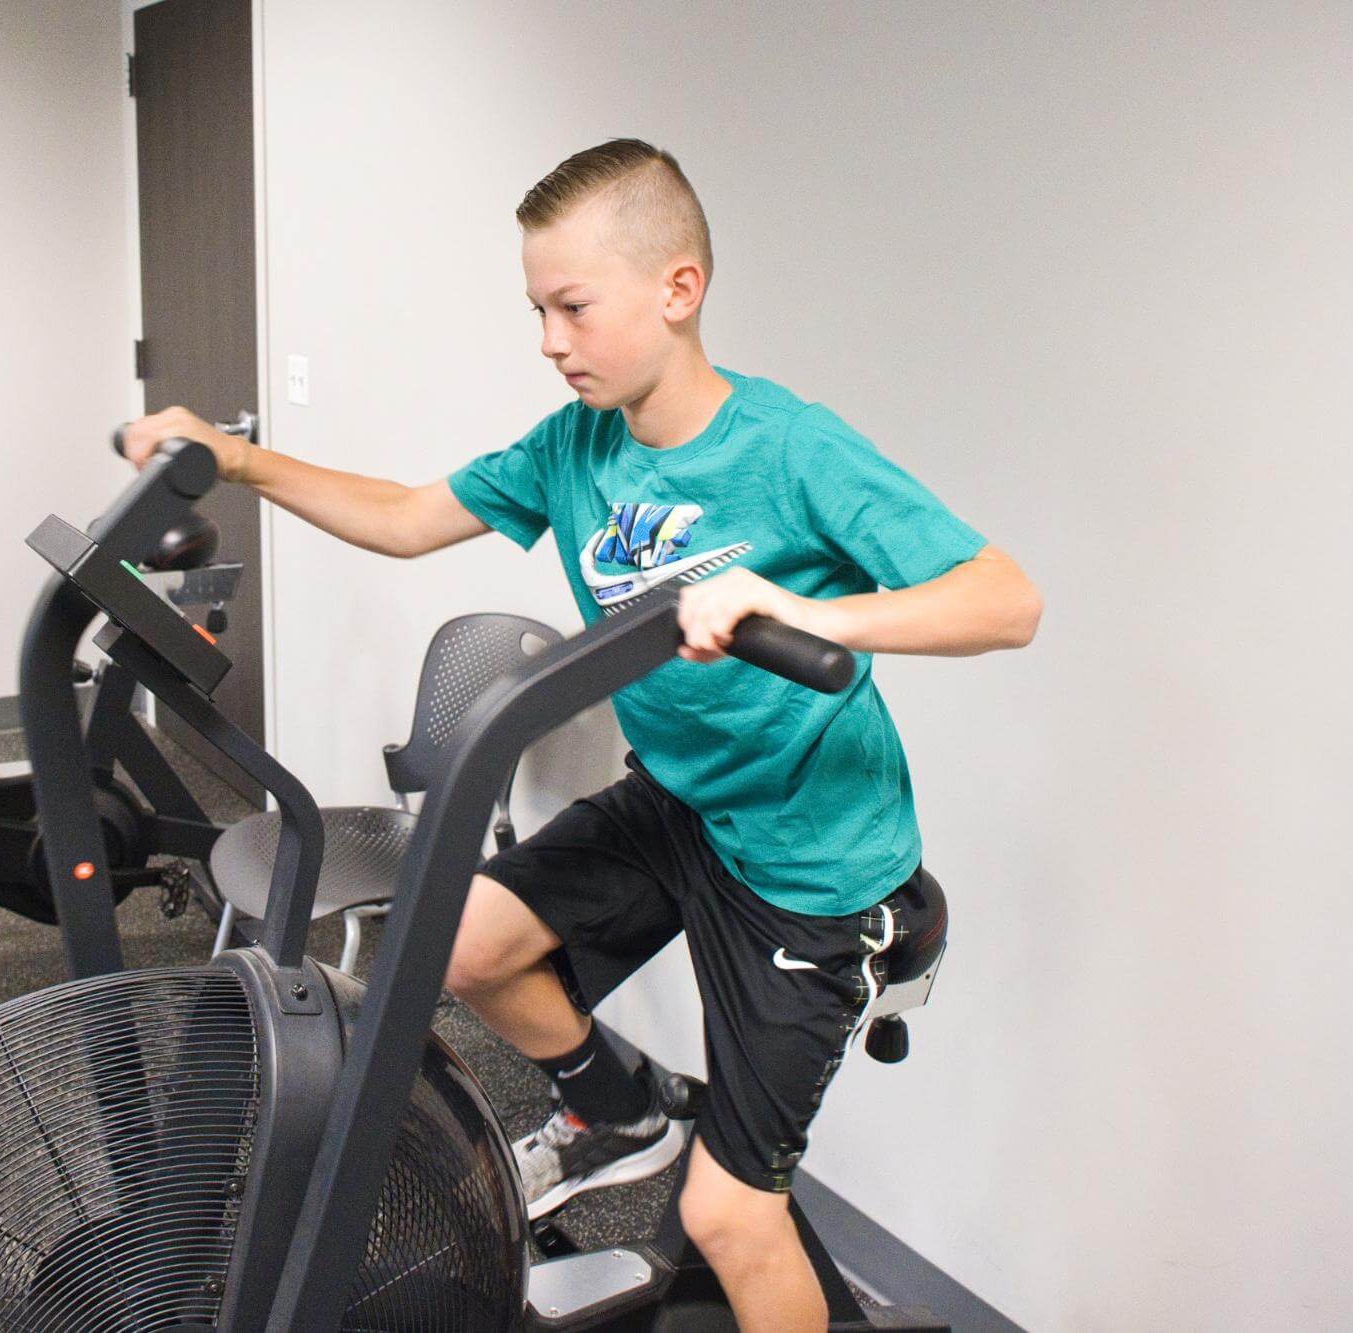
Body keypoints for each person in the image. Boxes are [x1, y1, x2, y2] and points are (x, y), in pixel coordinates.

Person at [120, 138, 1041, 1333]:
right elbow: (405, 518)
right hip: (676, 804)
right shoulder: (573, 448)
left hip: (810, 862)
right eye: (536, 311)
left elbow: (1003, 598)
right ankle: (618, 1107)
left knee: (727, 1218)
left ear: (677, 289)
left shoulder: (789, 448)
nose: (549, 339)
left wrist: (801, 608)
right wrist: (232, 458)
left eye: (571, 307)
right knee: (455, 943)